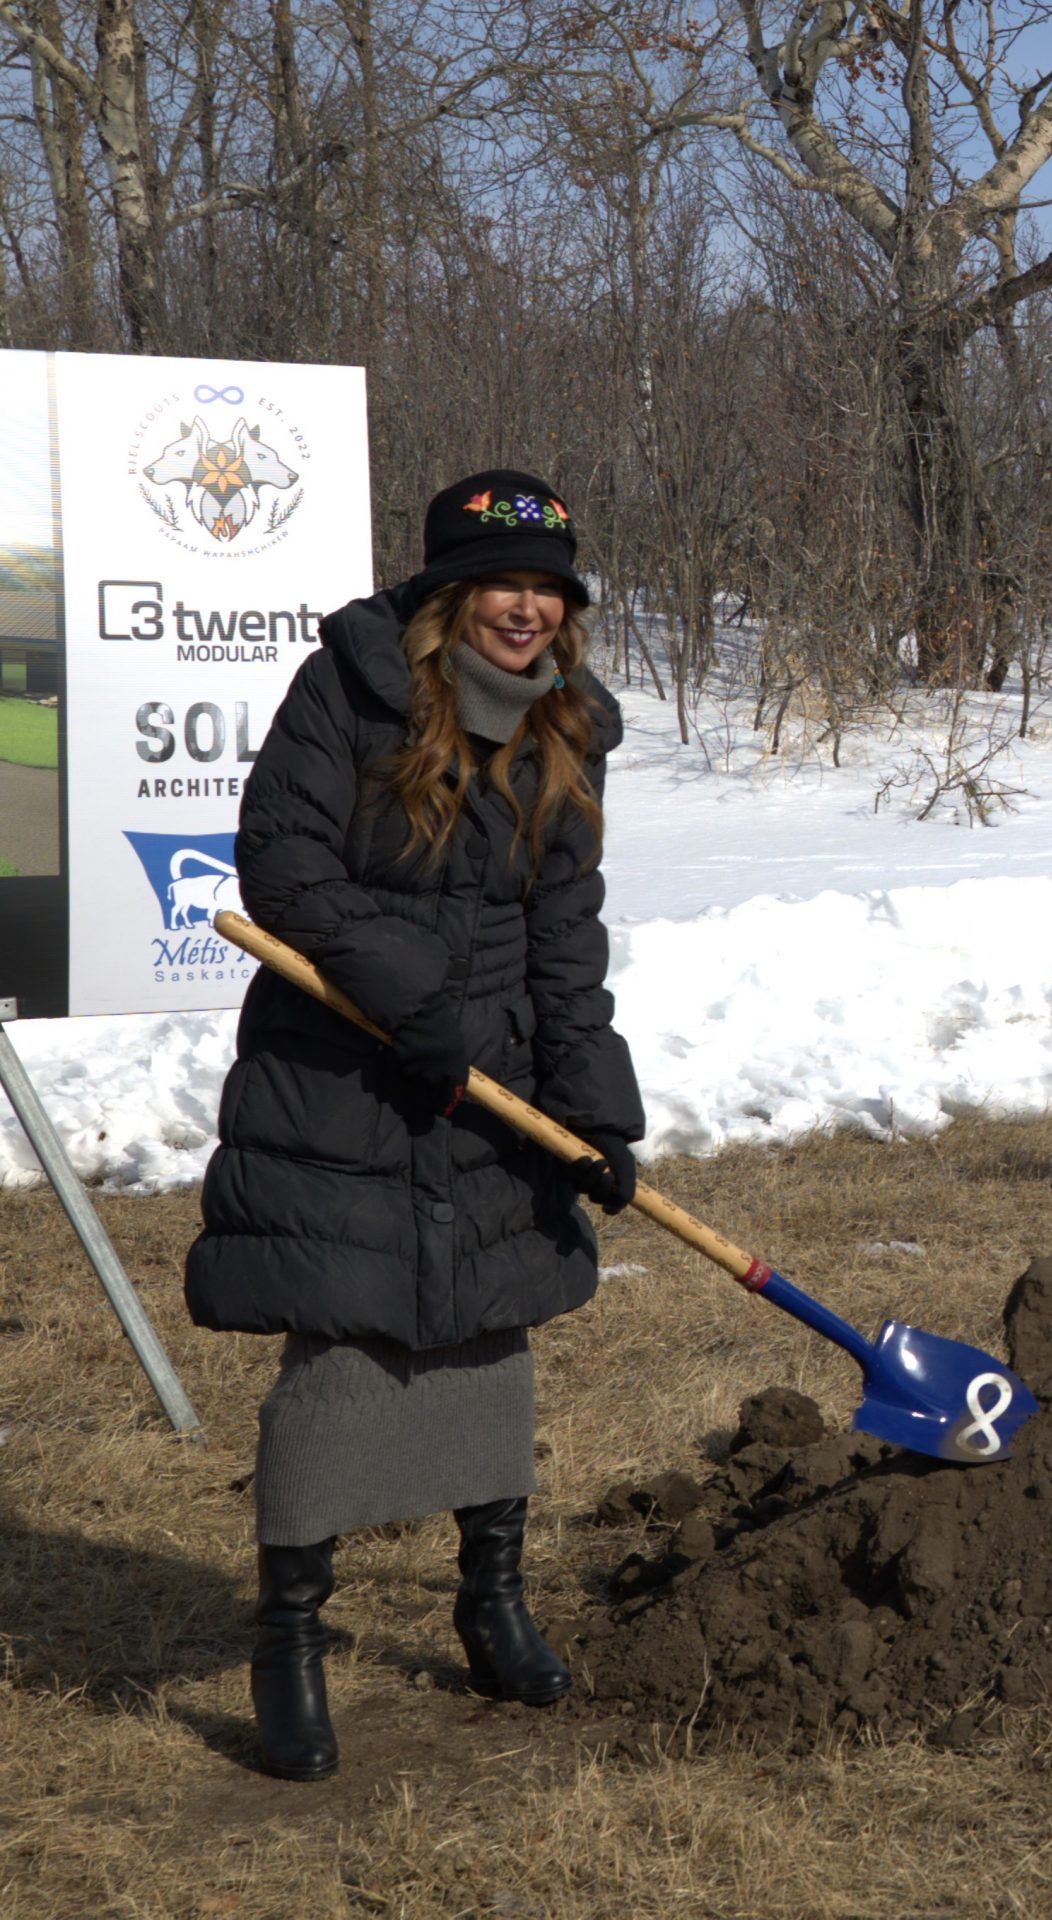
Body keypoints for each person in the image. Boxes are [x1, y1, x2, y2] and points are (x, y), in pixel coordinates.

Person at [184, 470, 645, 1780]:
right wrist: (408, 995)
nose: (525, 609)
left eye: (549, 588)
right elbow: (281, 865)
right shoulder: (352, 688)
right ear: (448, 593)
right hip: (349, 1076)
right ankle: (290, 1637)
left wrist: (595, 1108)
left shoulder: (566, 727)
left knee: (490, 1339)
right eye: (502, 582)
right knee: (342, 1360)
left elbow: (565, 937)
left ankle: (490, 1598)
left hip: (489, 1083)